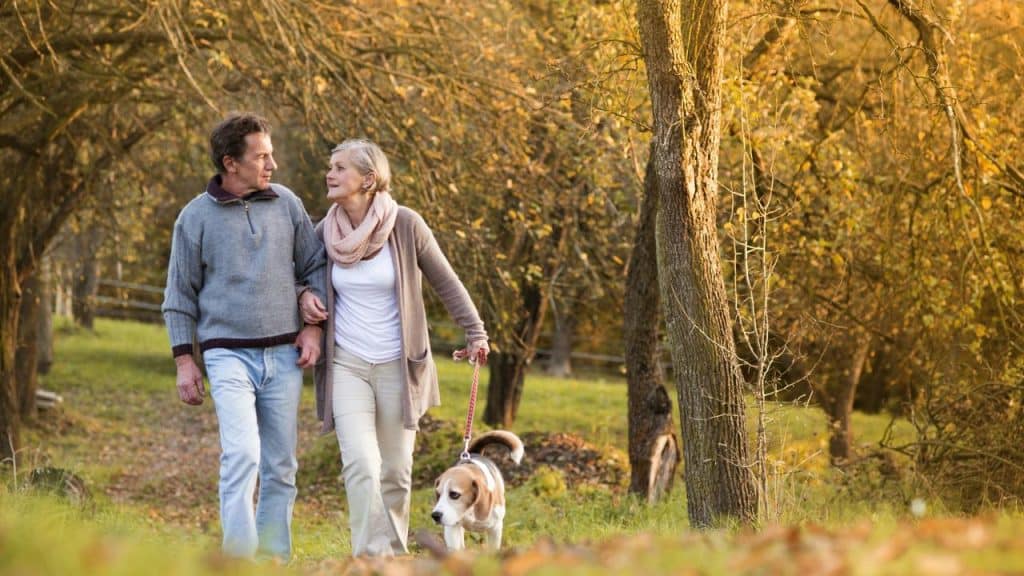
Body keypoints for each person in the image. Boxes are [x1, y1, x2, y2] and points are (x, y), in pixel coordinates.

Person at [299, 138, 488, 557]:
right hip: (346, 364)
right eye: (329, 166)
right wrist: (301, 298)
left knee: (397, 473)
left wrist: (475, 332)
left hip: (399, 368)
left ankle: (395, 554)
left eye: (339, 167)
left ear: (368, 179)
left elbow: (445, 280)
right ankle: (372, 558)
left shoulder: (405, 225)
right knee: (361, 465)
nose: (329, 174)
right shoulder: (323, 232)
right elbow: (299, 275)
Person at [161, 113, 327, 561]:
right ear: (230, 163)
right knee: (242, 455)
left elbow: (315, 266)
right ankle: (237, 561)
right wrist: (183, 360)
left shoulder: (287, 204)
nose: (272, 163)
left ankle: (272, 560)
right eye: (261, 156)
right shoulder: (194, 217)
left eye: (271, 154)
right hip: (226, 355)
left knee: (281, 465)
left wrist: (313, 326)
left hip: (285, 357)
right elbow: (179, 293)